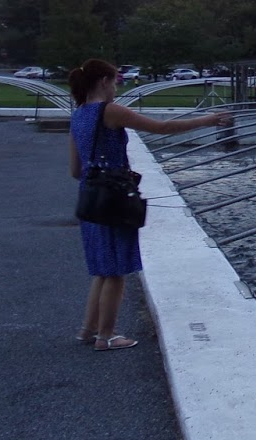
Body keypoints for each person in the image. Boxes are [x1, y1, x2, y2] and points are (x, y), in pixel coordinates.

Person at [67, 58, 234, 352]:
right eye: (116, 81)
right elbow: (162, 128)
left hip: (90, 194)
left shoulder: (79, 114)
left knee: (103, 268)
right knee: (117, 271)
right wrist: (208, 120)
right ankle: (107, 336)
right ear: (104, 81)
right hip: (115, 196)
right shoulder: (110, 111)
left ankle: (88, 330)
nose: (117, 87)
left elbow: (75, 170)